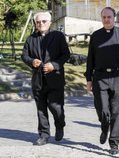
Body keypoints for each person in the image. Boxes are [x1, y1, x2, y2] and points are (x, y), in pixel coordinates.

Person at [85, 7, 119, 155]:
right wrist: (88, 79)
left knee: (117, 112)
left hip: (118, 77)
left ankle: (114, 143)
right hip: (100, 77)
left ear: (114, 18)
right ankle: (104, 127)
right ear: (101, 19)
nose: (106, 19)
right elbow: (90, 60)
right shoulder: (95, 36)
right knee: (102, 109)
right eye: (104, 17)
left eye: (109, 17)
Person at [21, 11, 70, 146]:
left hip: (55, 79)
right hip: (38, 80)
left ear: (49, 22)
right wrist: (31, 62)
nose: (41, 24)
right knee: (41, 108)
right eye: (38, 22)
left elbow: (66, 54)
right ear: (35, 23)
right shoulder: (30, 38)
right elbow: (24, 55)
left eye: (43, 21)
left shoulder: (58, 36)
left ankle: (60, 124)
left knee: (55, 107)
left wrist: (54, 65)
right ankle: (43, 135)